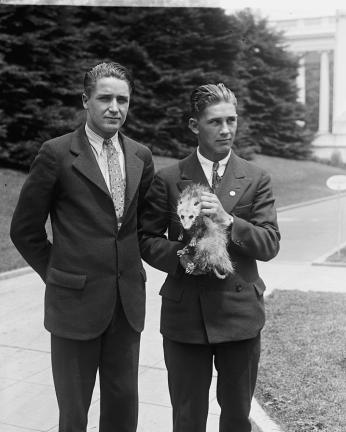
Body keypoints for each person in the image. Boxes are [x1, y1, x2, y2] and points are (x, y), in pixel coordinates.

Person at [10, 62, 154, 432]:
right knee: (73, 415)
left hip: (126, 306)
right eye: (105, 98)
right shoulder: (56, 154)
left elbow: (140, 228)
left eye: (122, 99)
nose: (114, 107)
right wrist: (59, 275)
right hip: (73, 306)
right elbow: (24, 230)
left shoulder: (140, 156)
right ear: (85, 100)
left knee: (124, 411)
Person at [140, 83, 280, 432]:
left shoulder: (256, 178)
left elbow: (270, 243)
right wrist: (182, 257)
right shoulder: (169, 178)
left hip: (239, 315)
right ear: (194, 126)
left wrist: (230, 220)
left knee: (236, 417)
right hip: (185, 317)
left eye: (231, 120)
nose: (226, 129)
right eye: (216, 122)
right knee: (187, 418)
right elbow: (146, 239)